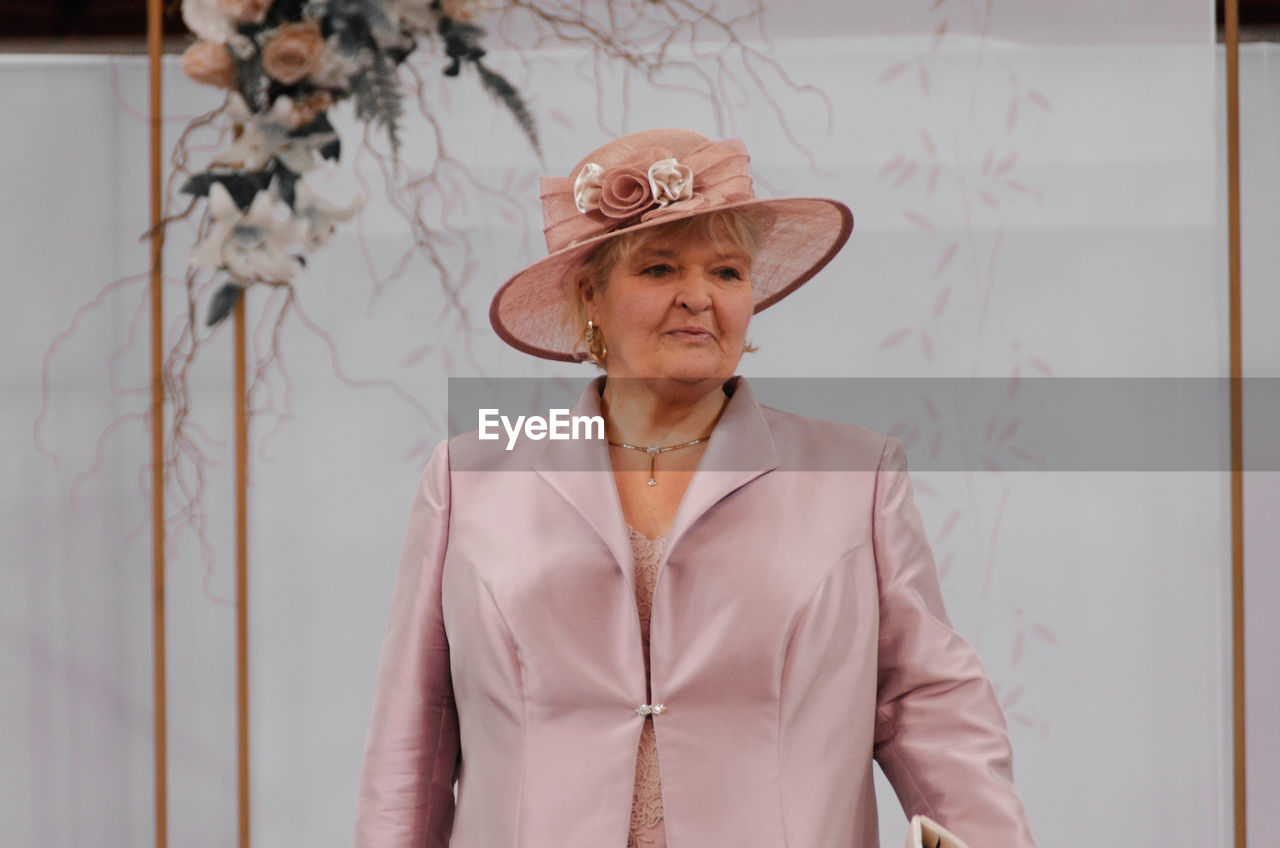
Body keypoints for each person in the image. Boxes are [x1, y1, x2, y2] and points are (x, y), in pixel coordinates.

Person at [352, 128, 1038, 848]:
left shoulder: (856, 475)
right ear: (592, 296)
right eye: (657, 270)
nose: (698, 298)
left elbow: (926, 705)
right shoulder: (469, 480)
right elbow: (412, 743)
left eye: (728, 273)